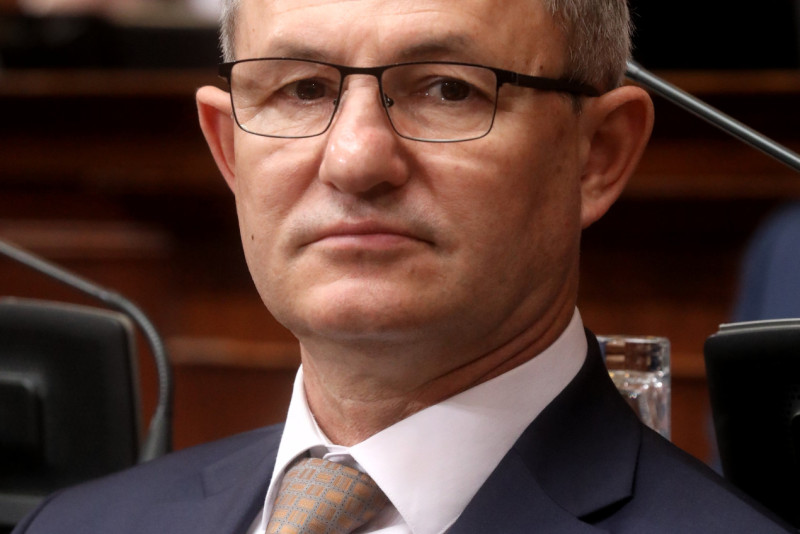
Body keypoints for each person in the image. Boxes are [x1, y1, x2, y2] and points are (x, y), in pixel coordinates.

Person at [12, 0, 793, 532]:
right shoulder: (77, 526)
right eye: (301, 88)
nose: (355, 160)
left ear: (598, 155)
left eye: (449, 90)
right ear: (228, 149)